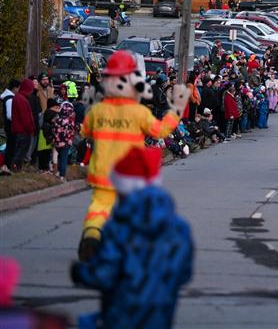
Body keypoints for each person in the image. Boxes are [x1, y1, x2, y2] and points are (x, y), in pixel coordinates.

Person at [78, 51, 187, 262]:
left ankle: (92, 235)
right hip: (129, 173)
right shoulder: (139, 112)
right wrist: (175, 112)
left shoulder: (98, 110)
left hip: (102, 171)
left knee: (100, 207)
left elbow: (85, 132)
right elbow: (160, 131)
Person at [70, 147, 193, 329]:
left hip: (120, 314)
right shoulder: (179, 227)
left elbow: (104, 273)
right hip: (161, 315)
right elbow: (184, 274)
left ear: (122, 188)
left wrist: (80, 272)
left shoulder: (118, 227)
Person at [9, 78, 35, 172]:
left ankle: (17, 168)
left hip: (20, 130)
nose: (31, 92)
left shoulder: (18, 97)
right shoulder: (22, 100)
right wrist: (30, 129)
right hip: (23, 131)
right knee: (21, 151)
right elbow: (25, 118)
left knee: (20, 151)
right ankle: (15, 168)